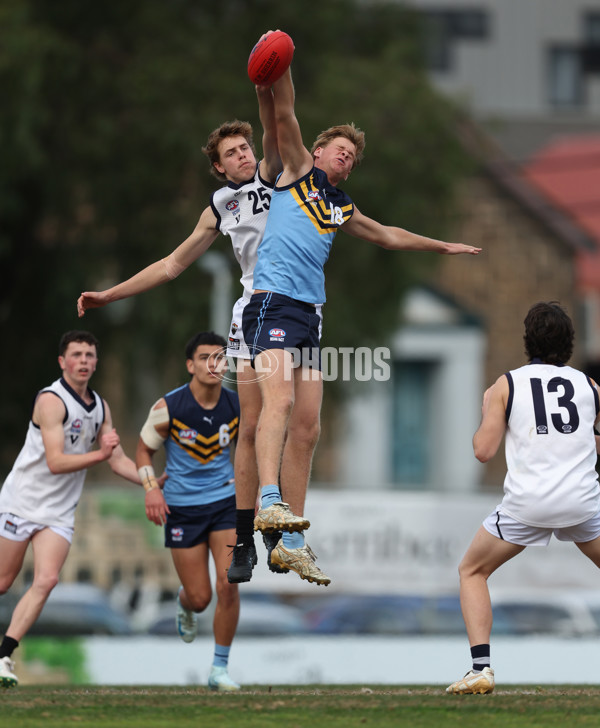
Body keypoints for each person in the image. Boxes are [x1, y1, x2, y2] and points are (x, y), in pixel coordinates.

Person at [242, 34, 482, 587]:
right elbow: (283, 112)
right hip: (272, 303)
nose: (346, 155)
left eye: (353, 154)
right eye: (340, 148)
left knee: (308, 425)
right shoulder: (296, 170)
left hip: (310, 316)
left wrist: (442, 246)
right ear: (320, 152)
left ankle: (293, 542)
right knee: (276, 401)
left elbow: (389, 235)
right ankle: (268, 500)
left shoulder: (339, 204)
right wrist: (280, 67)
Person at [76, 93, 311, 585]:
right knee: (255, 424)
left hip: (299, 309)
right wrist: (110, 296)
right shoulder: (221, 206)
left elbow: (274, 128)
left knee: (300, 427)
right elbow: (170, 265)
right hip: (255, 312)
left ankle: (283, 534)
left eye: (245, 146)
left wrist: (265, 83)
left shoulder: (272, 174)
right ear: (219, 169)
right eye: (232, 152)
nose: (244, 154)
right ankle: (247, 538)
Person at [446, 301, 600, 695]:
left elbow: (483, 450)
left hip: (527, 504)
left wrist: (487, 409)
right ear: (569, 344)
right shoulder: (590, 386)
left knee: (472, 571)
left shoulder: (507, 384)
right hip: (581, 502)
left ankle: (481, 667)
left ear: (527, 339)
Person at [0, 330, 143, 688]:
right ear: (62, 362)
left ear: (96, 362)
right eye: (76, 354)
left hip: (59, 513)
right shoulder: (52, 401)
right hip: (22, 502)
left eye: (89, 355)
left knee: (47, 580)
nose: (83, 361)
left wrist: (153, 480)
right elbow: (56, 461)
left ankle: (4, 655)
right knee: (3, 583)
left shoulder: (102, 407)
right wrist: (100, 453)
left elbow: (118, 460)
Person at [136, 331, 241, 691]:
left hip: (225, 503)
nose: (215, 364)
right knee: (201, 598)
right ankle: (184, 602)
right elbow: (143, 453)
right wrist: (152, 491)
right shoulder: (169, 408)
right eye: (206, 357)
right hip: (181, 508)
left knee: (229, 584)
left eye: (220, 357)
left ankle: (219, 670)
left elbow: (253, 449)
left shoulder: (236, 406)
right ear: (190, 365)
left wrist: (259, 491)